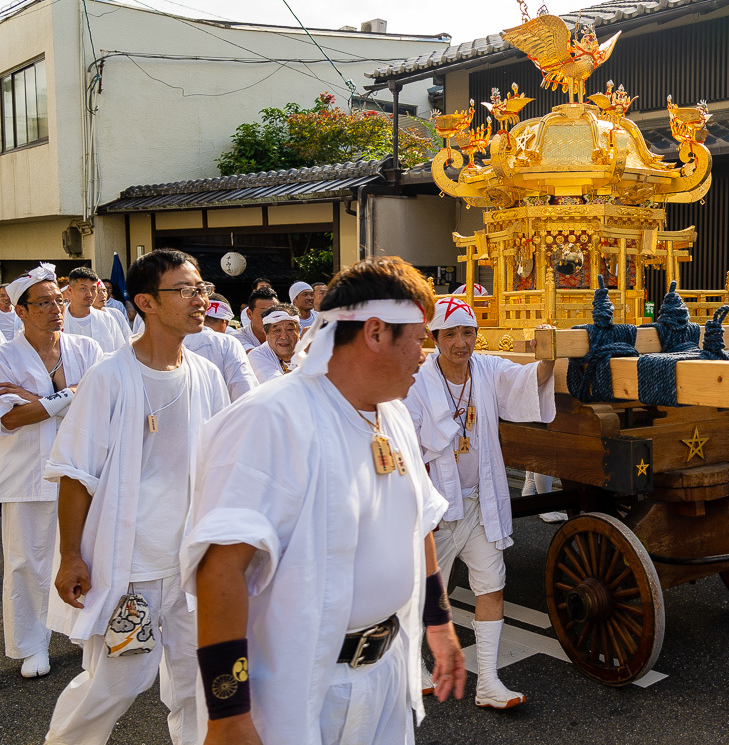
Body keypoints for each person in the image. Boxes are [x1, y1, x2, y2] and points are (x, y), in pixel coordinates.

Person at [181, 256, 465, 745]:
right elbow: (220, 569)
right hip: (304, 686)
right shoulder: (273, 418)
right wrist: (227, 714)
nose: (424, 355)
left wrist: (438, 624)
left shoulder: (393, 414)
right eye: (418, 339)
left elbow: (419, 525)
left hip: (387, 671)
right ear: (375, 332)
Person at [42, 249, 229, 745]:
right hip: (133, 571)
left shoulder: (207, 376)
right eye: (186, 291)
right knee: (116, 684)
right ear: (145, 301)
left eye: (202, 289)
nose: (199, 300)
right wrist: (70, 556)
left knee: (200, 686)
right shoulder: (110, 376)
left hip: (193, 565)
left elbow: (221, 466)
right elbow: (74, 473)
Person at [404, 296, 555, 709]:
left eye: (467, 332)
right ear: (434, 338)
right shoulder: (416, 380)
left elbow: (526, 382)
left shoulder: (487, 368)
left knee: (493, 585)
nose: (460, 342)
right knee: (419, 590)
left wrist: (550, 355)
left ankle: (488, 681)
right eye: (450, 334)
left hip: (479, 501)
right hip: (435, 506)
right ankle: (412, 664)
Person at [0, 265, 102, 679]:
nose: (55, 309)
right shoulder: (5, 354)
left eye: (57, 300)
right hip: (26, 472)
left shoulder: (87, 349)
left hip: (81, 468)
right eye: (43, 303)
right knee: (28, 561)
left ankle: (85, 636)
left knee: (86, 554)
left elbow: (99, 402)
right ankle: (31, 644)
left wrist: (40, 400)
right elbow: (10, 419)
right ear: (21, 311)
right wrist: (69, 395)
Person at [184, 295, 259, 401]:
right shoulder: (227, 342)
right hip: (219, 414)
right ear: (224, 322)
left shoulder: (176, 340)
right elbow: (244, 391)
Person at [62, 267, 128, 354]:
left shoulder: (107, 319)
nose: (89, 294)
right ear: (70, 290)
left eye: (93, 289)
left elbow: (120, 352)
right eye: (83, 289)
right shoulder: (59, 320)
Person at [247, 303, 301, 383]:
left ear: (298, 332)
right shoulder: (257, 355)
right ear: (266, 334)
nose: (284, 336)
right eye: (277, 330)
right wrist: (299, 359)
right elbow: (278, 388)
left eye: (290, 329)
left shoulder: (311, 348)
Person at [232, 286, 278, 352]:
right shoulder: (236, 338)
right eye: (264, 313)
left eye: (274, 312)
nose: (269, 318)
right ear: (250, 314)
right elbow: (255, 357)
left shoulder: (288, 335)